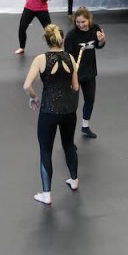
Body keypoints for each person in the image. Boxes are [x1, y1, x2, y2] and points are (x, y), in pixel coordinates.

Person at [23, 24, 80, 206]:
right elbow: (76, 87)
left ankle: (46, 194)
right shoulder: (71, 58)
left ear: (46, 40)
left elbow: (26, 85)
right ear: (61, 40)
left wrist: (34, 97)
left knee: (45, 151)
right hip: (69, 111)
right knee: (69, 145)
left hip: (48, 111)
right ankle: (74, 180)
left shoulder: (40, 59)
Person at [64, 6, 106, 139]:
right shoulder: (72, 35)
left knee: (90, 100)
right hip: (75, 74)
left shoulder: (95, 29)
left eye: (83, 22)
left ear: (89, 19)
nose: (81, 25)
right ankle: (68, 134)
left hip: (90, 72)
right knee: (72, 105)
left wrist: (102, 40)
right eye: (78, 22)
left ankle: (85, 126)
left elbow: (99, 46)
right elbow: (67, 56)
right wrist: (71, 72)